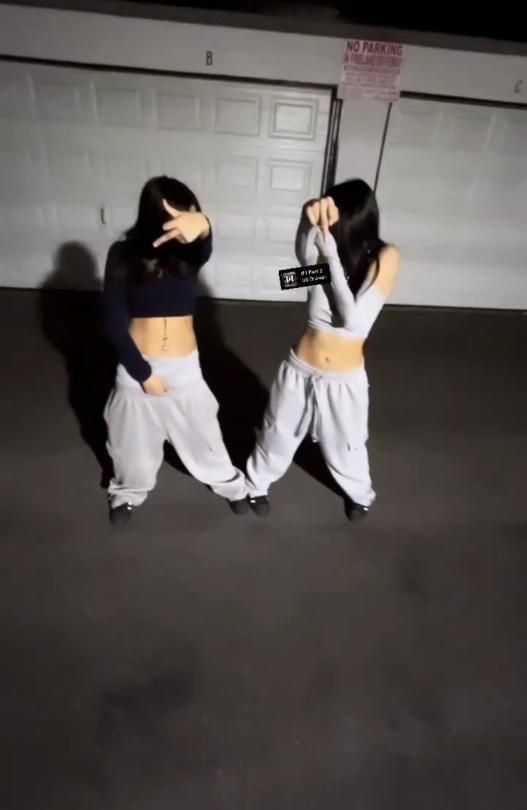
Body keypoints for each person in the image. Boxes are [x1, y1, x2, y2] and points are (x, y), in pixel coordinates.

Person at [245, 179, 400, 520]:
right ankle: (256, 484)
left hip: (343, 378)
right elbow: (294, 274)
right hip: (300, 367)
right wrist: (305, 223)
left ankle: (359, 495)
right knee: (276, 430)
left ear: (353, 217)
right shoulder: (326, 250)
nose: (328, 220)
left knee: (347, 443)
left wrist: (329, 256)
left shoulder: (385, 256)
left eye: (334, 213)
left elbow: (352, 322)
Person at [102, 176, 249, 527]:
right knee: (130, 447)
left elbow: (204, 247)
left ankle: (232, 485)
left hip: (185, 366)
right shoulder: (122, 254)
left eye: (191, 211)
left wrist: (205, 225)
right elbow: (112, 320)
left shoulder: (189, 252)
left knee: (205, 438)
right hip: (138, 367)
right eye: (178, 212)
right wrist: (143, 374)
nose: (187, 217)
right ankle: (127, 492)